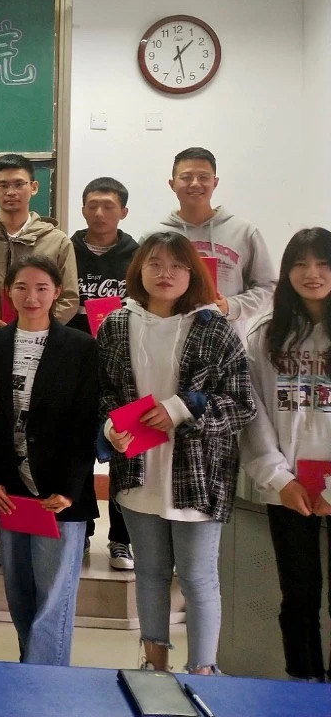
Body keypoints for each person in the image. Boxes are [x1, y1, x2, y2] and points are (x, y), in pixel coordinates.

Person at [97, 232, 254, 675]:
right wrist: (110, 427)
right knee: (149, 572)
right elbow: (103, 392)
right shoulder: (116, 324)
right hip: (138, 469)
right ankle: (155, 667)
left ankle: (203, 670)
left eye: (177, 266)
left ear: (192, 273)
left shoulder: (214, 328)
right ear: (139, 270)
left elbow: (242, 403)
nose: (165, 274)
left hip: (198, 475)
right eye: (155, 264)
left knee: (198, 577)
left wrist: (181, 409)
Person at [0, 256, 99, 666]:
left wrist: (70, 488)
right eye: (21, 287)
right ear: (8, 292)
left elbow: (86, 422)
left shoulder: (81, 347)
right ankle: (28, 667)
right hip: (10, 491)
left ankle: (44, 680)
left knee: (53, 597)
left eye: (41, 288)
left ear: (57, 293)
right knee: (19, 591)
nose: (31, 297)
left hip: (59, 494)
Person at [239, 227, 331, 682]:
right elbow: (253, 414)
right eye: (300, 264)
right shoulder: (266, 336)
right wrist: (280, 478)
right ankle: (304, 685)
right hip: (289, 487)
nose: (312, 273)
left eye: (323, 263)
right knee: (298, 596)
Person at [68, 176, 138, 571]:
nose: (99, 213)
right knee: (77, 446)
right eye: (92, 205)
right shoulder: (66, 250)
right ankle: (81, 531)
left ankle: (121, 539)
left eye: (108, 206)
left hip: (123, 364)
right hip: (76, 363)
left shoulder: (138, 254)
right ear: (82, 209)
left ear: (123, 211)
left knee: (124, 450)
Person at [153, 147, 276, 332]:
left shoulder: (243, 232)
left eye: (204, 177)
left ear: (215, 182)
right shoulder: (155, 236)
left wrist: (230, 306)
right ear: (172, 184)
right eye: (186, 177)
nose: (195, 183)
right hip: (169, 340)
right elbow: (140, 292)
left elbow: (267, 287)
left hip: (227, 341)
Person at [0, 154, 79, 331]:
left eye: (19, 184)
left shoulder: (57, 241)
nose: (11, 192)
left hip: (41, 337)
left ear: (34, 187)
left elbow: (69, 298)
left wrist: (38, 325)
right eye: (3, 185)